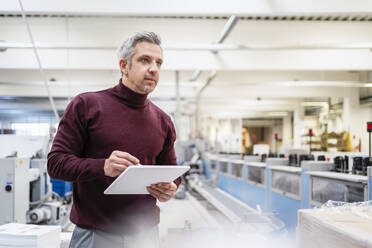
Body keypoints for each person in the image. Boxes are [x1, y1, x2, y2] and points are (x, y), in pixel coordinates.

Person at [47, 31, 181, 248]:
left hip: (146, 236)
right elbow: (56, 164)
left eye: (159, 63)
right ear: (124, 65)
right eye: (145, 60)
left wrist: (169, 187)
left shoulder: (163, 120)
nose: (154, 68)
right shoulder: (87, 105)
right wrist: (103, 167)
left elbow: (172, 171)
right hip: (95, 235)